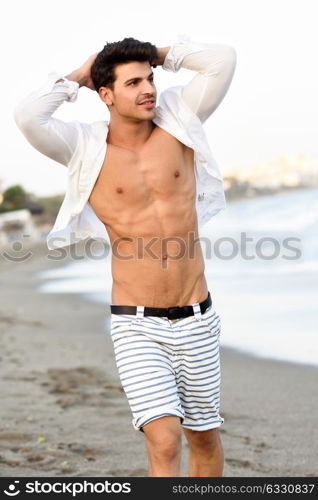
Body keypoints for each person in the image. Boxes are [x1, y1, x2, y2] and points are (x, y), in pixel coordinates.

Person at [14, 34, 237, 477]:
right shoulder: (83, 147)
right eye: (132, 82)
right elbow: (28, 115)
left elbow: (221, 60)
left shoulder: (180, 120)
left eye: (149, 79)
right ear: (106, 95)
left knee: (205, 438)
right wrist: (80, 74)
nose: (148, 88)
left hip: (198, 318)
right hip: (137, 325)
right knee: (165, 439)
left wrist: (150, 54)